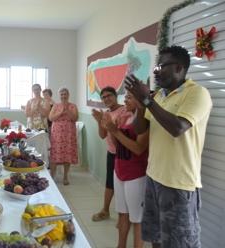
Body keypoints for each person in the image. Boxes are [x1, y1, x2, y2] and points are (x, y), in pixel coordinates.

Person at [125, 45, 212, 248]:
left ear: (179, 68)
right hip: (154, 178)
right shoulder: (159, 96)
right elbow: (140, 129)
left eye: (161, 67)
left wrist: (146, 99)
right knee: (156, 238)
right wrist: (140, 103)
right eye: (156, 68)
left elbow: (178, 127)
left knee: (180, 244)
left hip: (179, 184)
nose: (156, 72)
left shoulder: (197, 94)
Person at [101, 91, 148, 248]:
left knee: (137, 219)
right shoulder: (126, 117)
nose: (125, 99)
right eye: (125, 96)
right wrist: (110, 127)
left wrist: (114, 131)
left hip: (135, 175)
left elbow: (138, 148)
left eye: (129, 97)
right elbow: (117, 144)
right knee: (122, 214)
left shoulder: (144, 120)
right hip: (119, 170)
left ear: (140, 100)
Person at [91, 86, 127, 222]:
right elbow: (102, 135)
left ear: (115, 96)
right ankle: (105, 210)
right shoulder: (105, 113)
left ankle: (125, 217)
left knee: (123, 185)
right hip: (111, 153)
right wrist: (99, 121)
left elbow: (121, 135)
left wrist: (106, 122)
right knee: (109, 183)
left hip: (124, 155)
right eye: (103, 97)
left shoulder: (124, 111)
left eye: (109, 96)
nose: (106, 99)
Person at [48, 87, 78, 185]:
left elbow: (75, 118)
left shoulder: (73, 106)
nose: (63, 96)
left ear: (68, 95)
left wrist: (67, 110)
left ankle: (65, 176)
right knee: (55, 154)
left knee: (67, 154)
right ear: (59, 96)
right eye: (61, 94)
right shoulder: (56, 106)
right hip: (57, 134)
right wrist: (61, 112)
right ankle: (52, 176)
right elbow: (51, 118)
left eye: (65, 94)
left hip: (69, 134)